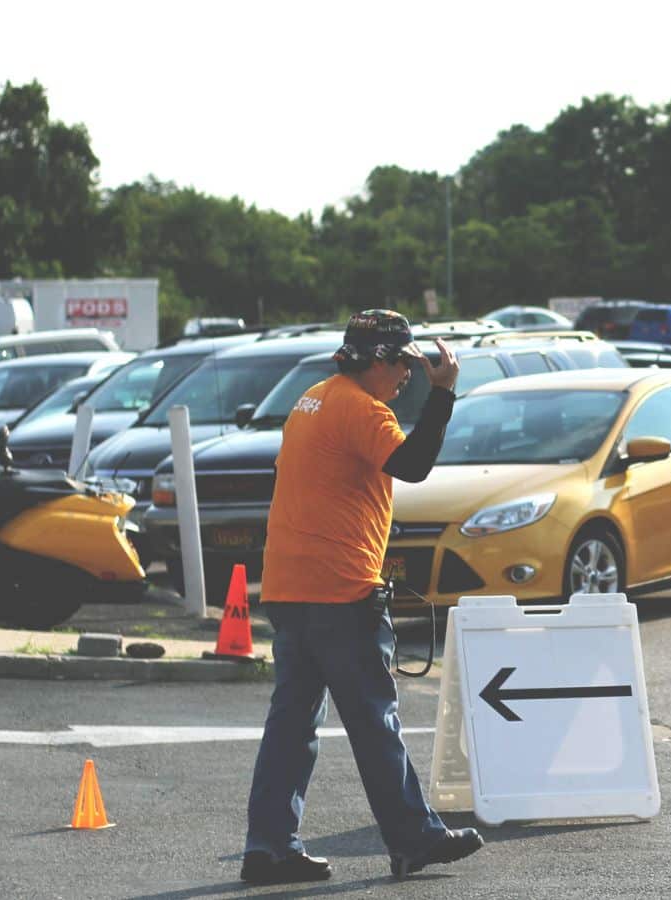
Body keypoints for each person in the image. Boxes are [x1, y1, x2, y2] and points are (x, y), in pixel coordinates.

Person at [240, 309, 483, 884]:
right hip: (339, 588)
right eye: (402, 364)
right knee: (375, 719)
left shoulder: (314, 398)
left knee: (293, 722)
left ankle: (269, 846)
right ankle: (413, 838)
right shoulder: (360, 408)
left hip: (290, 584)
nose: (407, 376)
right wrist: (443, 395)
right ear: (377, 360)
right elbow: (415, 465)